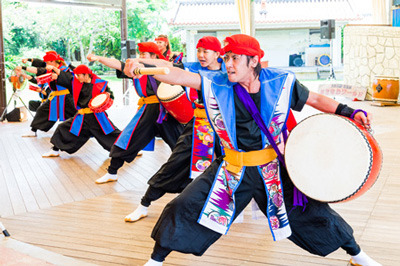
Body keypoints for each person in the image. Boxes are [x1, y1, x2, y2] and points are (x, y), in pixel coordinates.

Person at [123, 34, 381, 266]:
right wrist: (145, 67)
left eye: (235, 58)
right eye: (226, 58)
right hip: (231, 169)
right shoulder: (217, 83)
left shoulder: (280, 82)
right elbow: (178, 75)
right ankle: (155, 261)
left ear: (254, 61)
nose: (229, 64)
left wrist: (350, 111)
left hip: (272, 171)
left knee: (315, 213)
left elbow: (314, 99)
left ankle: (357, 255)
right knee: (183, 206)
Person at [124, 36, 225, 222]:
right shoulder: (194, 68)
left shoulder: (230, 71)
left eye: (206, 51)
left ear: (218, 54)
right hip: (199, 128)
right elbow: (167, 66)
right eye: (199, 51)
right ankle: (144, 204)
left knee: (233, 169)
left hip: (224, 130)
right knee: (173, 165)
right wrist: (140, 61)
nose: (201, 55)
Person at [87, 42, 184, 184]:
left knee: (182, 144)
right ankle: (112, 172)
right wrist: (98, 58)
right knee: (126, 140)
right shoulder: (136, 70)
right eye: (140, 54)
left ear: (153, 56)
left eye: (144, 54)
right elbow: (117, 64)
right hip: (148, 111)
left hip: (165, 111)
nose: (140, 57)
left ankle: (191, 175)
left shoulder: (161, 66)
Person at [41, 65, 121, 157]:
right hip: (82, 117)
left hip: (97, 117)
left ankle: (128, 149)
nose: (77, 77)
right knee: (63, 128)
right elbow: (67, 78)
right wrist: (55, 70)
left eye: (79, 75)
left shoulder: (100, 84)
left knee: (111, 133)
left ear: (86, 75)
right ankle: (55, 150)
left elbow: (110, 96)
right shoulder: (77, 84)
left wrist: (105, 99)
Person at [21, 51, 76, 137]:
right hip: (54, 96)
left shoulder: (65, 69)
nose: (46, 64)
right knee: (41, 111)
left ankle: (83, 132)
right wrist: (22, 67)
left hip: (66, 97)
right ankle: (33, 130)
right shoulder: (48, 69)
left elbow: (70, 80)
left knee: (75, 115)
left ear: (53, 61)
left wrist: (58, 76)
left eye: (47, 62)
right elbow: (37, 70)